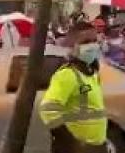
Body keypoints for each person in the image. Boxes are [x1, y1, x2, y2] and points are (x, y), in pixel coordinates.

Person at [39, 21, 108, 153]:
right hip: (79, 148)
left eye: (94, 40)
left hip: (96, 146)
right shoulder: (67, 75)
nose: (92, 45)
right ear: (72, 47)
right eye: (86, 42)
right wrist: (69, 141)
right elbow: (48, 110)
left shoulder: (91, 73)